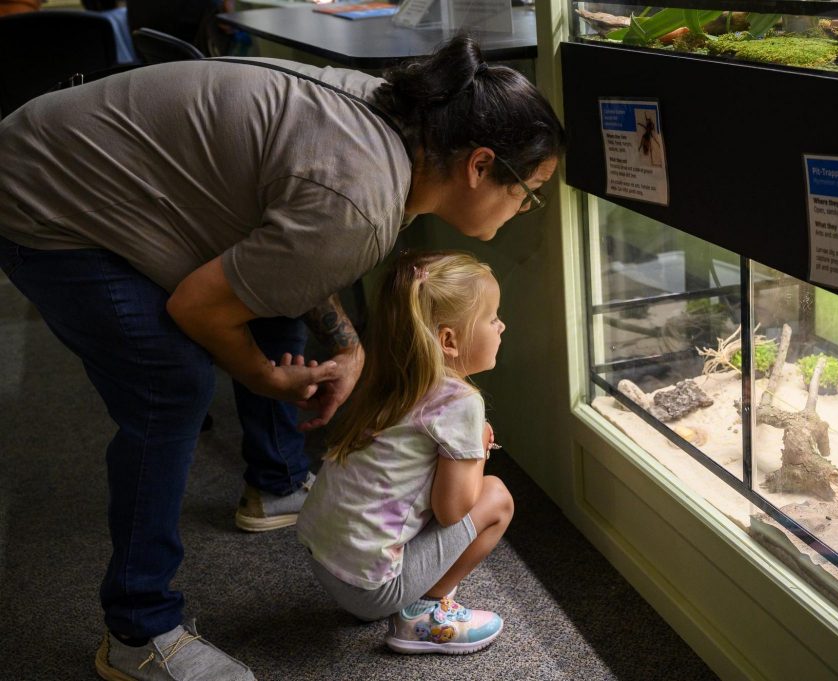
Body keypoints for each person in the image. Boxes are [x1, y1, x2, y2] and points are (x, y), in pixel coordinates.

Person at [0, 33, 564, 681]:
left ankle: (272, 486)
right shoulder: (365, 201)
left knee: (271, 298)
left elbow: (295, 253)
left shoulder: (393, 133)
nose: (526, 207)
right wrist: (264, 376)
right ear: (480, 163)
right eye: (531, 189)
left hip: (80, 150)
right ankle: (139, 628)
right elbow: (200, 308)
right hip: (43, 189)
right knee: (172, 384)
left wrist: (347, 346)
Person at [297, 250, 511, 654]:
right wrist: (479, 450)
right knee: (497, 497)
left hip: (322, 559)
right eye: (492, 317)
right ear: (449, 340)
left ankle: (408, 594)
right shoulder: (461, 401)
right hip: (369, 589)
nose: (502, 325)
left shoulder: (394, 379)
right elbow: (453, 510)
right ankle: (423, 615)